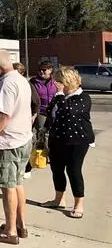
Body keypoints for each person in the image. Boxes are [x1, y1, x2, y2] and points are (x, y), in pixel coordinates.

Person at [0, 49, 33, 245]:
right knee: (17, 182)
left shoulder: (8, 84)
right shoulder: (19, 79)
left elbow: (4, 114)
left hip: (7, 143)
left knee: (7, 186)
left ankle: (9, 232)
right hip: (21, 139)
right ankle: (20, 225)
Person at [40, 67, 94, 219]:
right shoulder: (59, 97)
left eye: (58, 81)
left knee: (73, 170)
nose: (55, 84)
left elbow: (68, 111)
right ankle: (59, 199)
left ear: (67, 82)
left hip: (77, 140)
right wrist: (44, 129)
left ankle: (79, 204)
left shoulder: (83, 97)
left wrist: (59, 94)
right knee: (57, 169)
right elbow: (51, 113)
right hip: (57, 138)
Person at [13, 62, 41, 178]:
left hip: (25, 117)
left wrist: (34, 115)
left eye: (16, 72)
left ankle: (27, 168)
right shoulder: (11, 83)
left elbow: (36, 101)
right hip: (14, 118)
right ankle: (18, 167)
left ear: (21, 73)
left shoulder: (27, 84)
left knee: (26, 142)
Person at [29, 61, 57, 156]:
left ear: (50, 70)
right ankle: (42, 153)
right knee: (41, 132)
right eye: (39, 69)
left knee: (53, 132)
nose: (41, 71)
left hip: (54, 110)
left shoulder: (55, 81)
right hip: (41, 111)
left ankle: (53, 151)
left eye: (44, 70)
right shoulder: (33, 82)